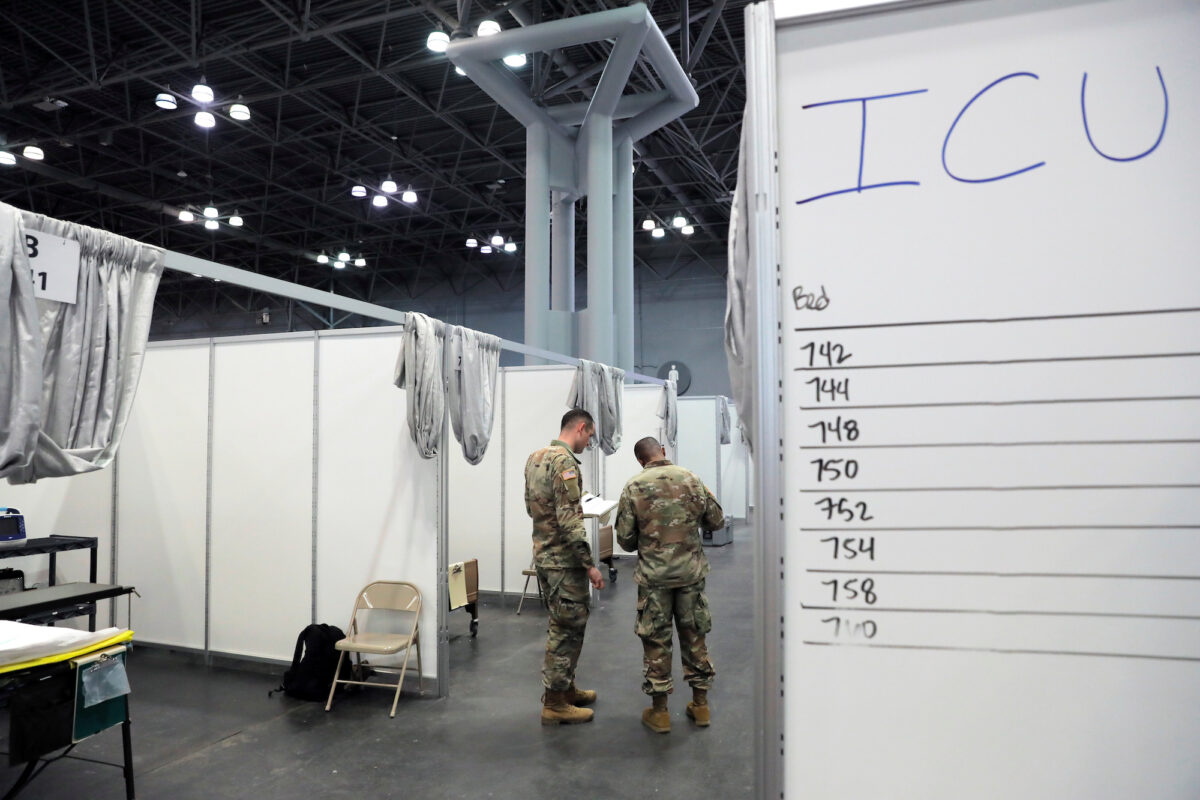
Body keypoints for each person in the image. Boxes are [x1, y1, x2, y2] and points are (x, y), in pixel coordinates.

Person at [615, 436, 724, 734]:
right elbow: (716, 520)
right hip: (690, 574)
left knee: (656, 642)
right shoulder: (692, 478)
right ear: (663, 451)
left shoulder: (634, 486)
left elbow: (624, 540)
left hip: (654, 578)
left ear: (640, 460)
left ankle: (660, 712)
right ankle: (700, 705)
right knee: (695, 636)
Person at [524, 408, 607, 725]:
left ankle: (566, 688)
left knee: (565, 624)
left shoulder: (535, 458)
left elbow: (531, 506)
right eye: (590, 436)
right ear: (581, 428)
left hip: (545, 555)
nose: (589, 442)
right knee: (566, 630)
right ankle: (555, 702)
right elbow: (570, 522)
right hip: (564, 562)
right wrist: (590, 565)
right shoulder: (565, 462)